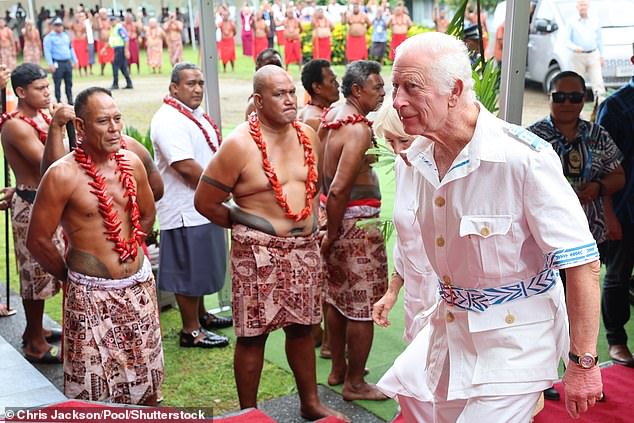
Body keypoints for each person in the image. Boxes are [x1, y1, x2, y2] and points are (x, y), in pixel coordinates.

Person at [392, 31, 602, 421]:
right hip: (449, 338)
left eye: (411, 88)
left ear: (454, 90)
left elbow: (582, 262)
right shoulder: (418, 157)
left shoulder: (523, 159)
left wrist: (583, 362)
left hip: (515, 345)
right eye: (394, 87)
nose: (397, 101)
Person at [193, 64, 348, 422]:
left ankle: (309, 403)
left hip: (304, 250)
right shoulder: (238, 144)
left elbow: (314, 187)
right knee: (252, 337)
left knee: (303, 328)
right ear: (258, 101)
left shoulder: (309, 135)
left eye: (292, 92)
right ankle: (249, 414)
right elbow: (205, 201)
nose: (290, 100)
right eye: (279, 94)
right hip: (258, 253)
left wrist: (314, 224)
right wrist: (248, 225)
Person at [27, 87, 164, 404]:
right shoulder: (62, 175)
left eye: (117, 118)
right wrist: (72, 277)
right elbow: (38, 239)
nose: (115, 128)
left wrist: (131, 253)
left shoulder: (132, 162)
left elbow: (146, 214)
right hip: (89, 295)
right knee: (94, 393)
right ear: (81, 126)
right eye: (104, 121)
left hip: (138, 288)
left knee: (146, 381)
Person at [529, 71, 625, 400]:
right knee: (543, 307)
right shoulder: (532, 137)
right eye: (560, 96)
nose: (568, 103)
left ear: (584, 99)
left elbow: (618, 175)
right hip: (541, 241)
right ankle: (539, 379)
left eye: (575, 97)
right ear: (550, 96)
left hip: (586, 235)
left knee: (579, 308)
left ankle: (581, 371)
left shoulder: (597, 135)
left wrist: (598, 187)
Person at [320, 60, 388, 401]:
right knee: (363, 306)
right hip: (354, 226)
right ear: (358, 90)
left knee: (337, 296)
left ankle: (338, 369)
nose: (384, 92)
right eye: (378, 87)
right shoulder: (357, 128)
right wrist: (332, 233)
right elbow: (338, 188)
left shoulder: (333, 114)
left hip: (338, 220)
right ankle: (355, 383)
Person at [150, 63, 230, 350]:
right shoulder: (169, 120)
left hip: (202, 205)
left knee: (202, 267)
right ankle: (191, 330)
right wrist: (222, 189)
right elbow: (185, 166)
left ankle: (201, 316)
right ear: (174, 88)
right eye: (189, 84)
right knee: (188, 270)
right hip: (184, 209)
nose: (197, 89)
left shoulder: (192, 115)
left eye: (200, 83)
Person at [372, 101, 436, 423]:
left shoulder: (445, 171)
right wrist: (393, 289)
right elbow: (405, 236)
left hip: (447, 299)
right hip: (415, 296)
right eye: (390, 142)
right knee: (418, 389)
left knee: (425, 384)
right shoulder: (403, 165)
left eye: (405, 141)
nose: (398, 151)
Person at [0, 64, 64, 362]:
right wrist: (58, 128)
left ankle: (34, 330)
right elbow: (49, 165)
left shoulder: (43, 116)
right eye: (40, 88)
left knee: (54, 268)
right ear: (21, 92)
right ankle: (35, 343)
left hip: (51, 201)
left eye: (47, 86)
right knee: (34, 274)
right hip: (31, 204)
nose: (47, 92)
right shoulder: (15, 125)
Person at [596, 44, 634, 367]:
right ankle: (616, 339)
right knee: (618, 275)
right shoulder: (615, 106)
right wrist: (608, 216)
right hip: (624, 209)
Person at [566, 0, 605, 101]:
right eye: (581, 5)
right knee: (577, 84)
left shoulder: (595, 20)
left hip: (593, 55)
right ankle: (577, 112)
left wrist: (602, 55)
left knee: (598, 84)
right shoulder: (571, 21)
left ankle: (601, 110)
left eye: (585, 5)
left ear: (588, 6)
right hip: (578, 56)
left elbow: (600, 40)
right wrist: (575, 48)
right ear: (577, 7)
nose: (583, 7)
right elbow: (566, 40)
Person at [299, 59, 340, 132]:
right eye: (332, 81)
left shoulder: (305, 112)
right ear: (317, 87)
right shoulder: (317, 121)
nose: (337, 85)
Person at [43, 17, 77, 105]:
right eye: (57, 25)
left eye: (61, 25)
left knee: (69, 82)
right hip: (57, 62)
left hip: (67, 62)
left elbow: (70, 48)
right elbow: (47, 51)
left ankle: (70, 100)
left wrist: (75, 60)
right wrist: (50, 64)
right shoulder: (49, 38)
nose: (59, 27)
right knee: (57, 82)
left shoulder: (65, 36)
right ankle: (58, 100)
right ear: (53, 26)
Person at [244, 48, 283, 119]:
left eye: (277, 66)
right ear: (257, 70)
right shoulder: (255, 104)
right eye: (268, 67)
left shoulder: (288, 98)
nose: (274, 70)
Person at [104, 16, 133, 90]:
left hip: (120, 49)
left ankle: (115, 84)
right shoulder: (113, 29)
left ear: (116, 21)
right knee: (123, 67)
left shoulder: (119, 28)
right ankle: (129, 83)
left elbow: (126, 39)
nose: (111, 22)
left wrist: (126, 50)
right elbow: (111, 40)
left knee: (115, 65)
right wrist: (105, 48)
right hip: (116, 49)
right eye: (110, 21)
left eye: (113, 20)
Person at [95, 8, 113, 76]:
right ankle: (102, 71)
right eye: (101, 14)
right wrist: (97, 19)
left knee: (111, 57)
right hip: (101, 42)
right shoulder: (98, 21)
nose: (103, 15)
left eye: (104, 13)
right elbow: (98, 27)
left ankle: (114, 70)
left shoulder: (109, 21)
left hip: (109, 41)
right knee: (102, 58)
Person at [71, 11, 89, 76]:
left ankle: (86, 72)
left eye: (79, 17)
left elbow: (86, 34)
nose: (78, 18)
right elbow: (69, 27)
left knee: (84, 58)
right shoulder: (73, 25)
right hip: (76, 42)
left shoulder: (83, 25)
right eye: (77, 17)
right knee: (77, 57)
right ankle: (80, 72)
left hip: (83, 41)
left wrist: (87, 44)